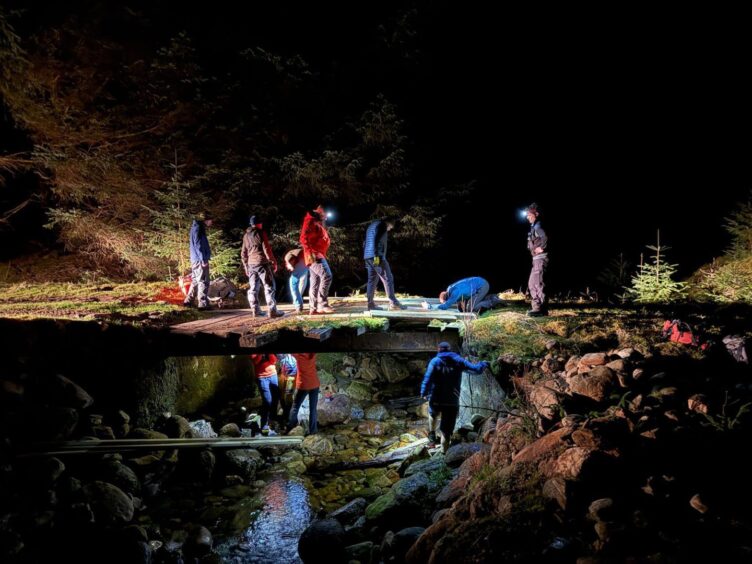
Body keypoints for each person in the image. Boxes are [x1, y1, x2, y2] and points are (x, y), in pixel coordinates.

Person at [420, 342, 489, 452]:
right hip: (451, 401)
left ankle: (432, 436)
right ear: (450, 349)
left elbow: (427, 379)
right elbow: (476, 370)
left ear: (439, 350)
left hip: (436, 398)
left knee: (432, 413)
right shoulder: (458, 360)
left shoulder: (434, 361)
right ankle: (444, 456)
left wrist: (423, 392)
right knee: (446, 431)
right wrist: (484, 363)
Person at [241, 215, 285, 318]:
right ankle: (272, 310)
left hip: (251, 265)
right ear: (259, 224)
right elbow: (267, 249)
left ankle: (255, 310)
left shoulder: (245, 236)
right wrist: (273, 261)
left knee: (253, 288)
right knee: (269, 286)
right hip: (262, 264)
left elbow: (243, 253)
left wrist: (246, 266)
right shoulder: (261, 233)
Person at [363, 217, 404, 311]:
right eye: (390, 227)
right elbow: (376, 239)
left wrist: (367, 256)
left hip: (368, 256)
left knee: (372, 280)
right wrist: (377, 256)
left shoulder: (371, 226)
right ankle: (393, 303)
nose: (390, 229)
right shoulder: (382, 225)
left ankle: (370, 305)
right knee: (387, 277)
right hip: (376, 256)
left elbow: (365, 242)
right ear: (389, 223)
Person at [300, 205, 334, 315]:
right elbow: (303, 238)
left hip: (317, 254)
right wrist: (310, 252)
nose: (325, 217)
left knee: (315, 282)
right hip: (314, 255)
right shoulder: (309, 221)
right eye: (324, 214)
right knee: (327, 275)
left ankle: (313, 308)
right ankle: (322, 304)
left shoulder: (315, 222)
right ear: (319, 212)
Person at [183, 211, 213, 309]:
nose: (211, 223)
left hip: (196, 259)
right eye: (210, 220)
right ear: (206, 220)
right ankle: (202, 304)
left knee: (196, 280)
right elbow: (198, 245)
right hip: (199, 259)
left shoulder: (197, 227)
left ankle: (188, 301)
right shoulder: (198, 228)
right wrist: (203, 259)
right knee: (203, 281)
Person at [287, 353, 320, 435]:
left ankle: (291, 427)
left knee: (295, 407)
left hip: (303, 385)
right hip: (314, 384)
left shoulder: (299, 355)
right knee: (313, 409)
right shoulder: (313, 354)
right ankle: (313, 431)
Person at [525, 203, 548, 316]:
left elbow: (545, 237)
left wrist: (541, 248)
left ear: (536, 214)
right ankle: (537, 307)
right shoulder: (534, 227)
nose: (527, 217)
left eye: (529, 214)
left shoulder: (538, 226)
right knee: (532, 283)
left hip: (540, 258)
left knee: (537, 283)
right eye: (527, 215)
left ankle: (540, 309)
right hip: (536, 260)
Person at [250, 354, 280, 436]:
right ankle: (264, 428)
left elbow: (274, 361)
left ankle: (268, 422)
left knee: (275, 400)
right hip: (262, 377)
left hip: (273, 375)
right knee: (267, 402)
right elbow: (256, 361)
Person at [421, 277, 490, 312]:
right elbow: (460, 299)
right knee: (462, 308)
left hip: (482, 285)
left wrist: (430, 307)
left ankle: (493, 300)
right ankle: (485, 298)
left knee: (470, 308)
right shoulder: (449, 288)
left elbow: (445, 306)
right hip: (476, 283)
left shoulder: (454, 293)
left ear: (448, 298)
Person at [284, 248, 309, 314]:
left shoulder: (287, 258)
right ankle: (299, 302)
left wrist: (291, 267)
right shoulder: (294, 260)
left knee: (293, 281)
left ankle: (298, 304)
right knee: (304, 279)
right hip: (309, 256)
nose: (291, 270)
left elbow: (291, 263)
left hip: (304, 257)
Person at [278, 354, 298, 423]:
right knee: (281, 395)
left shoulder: (292, 357)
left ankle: (288, 416)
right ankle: (285, 413)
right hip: (283, 373)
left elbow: (294, 366)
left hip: (291, 375)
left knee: (288, 395)